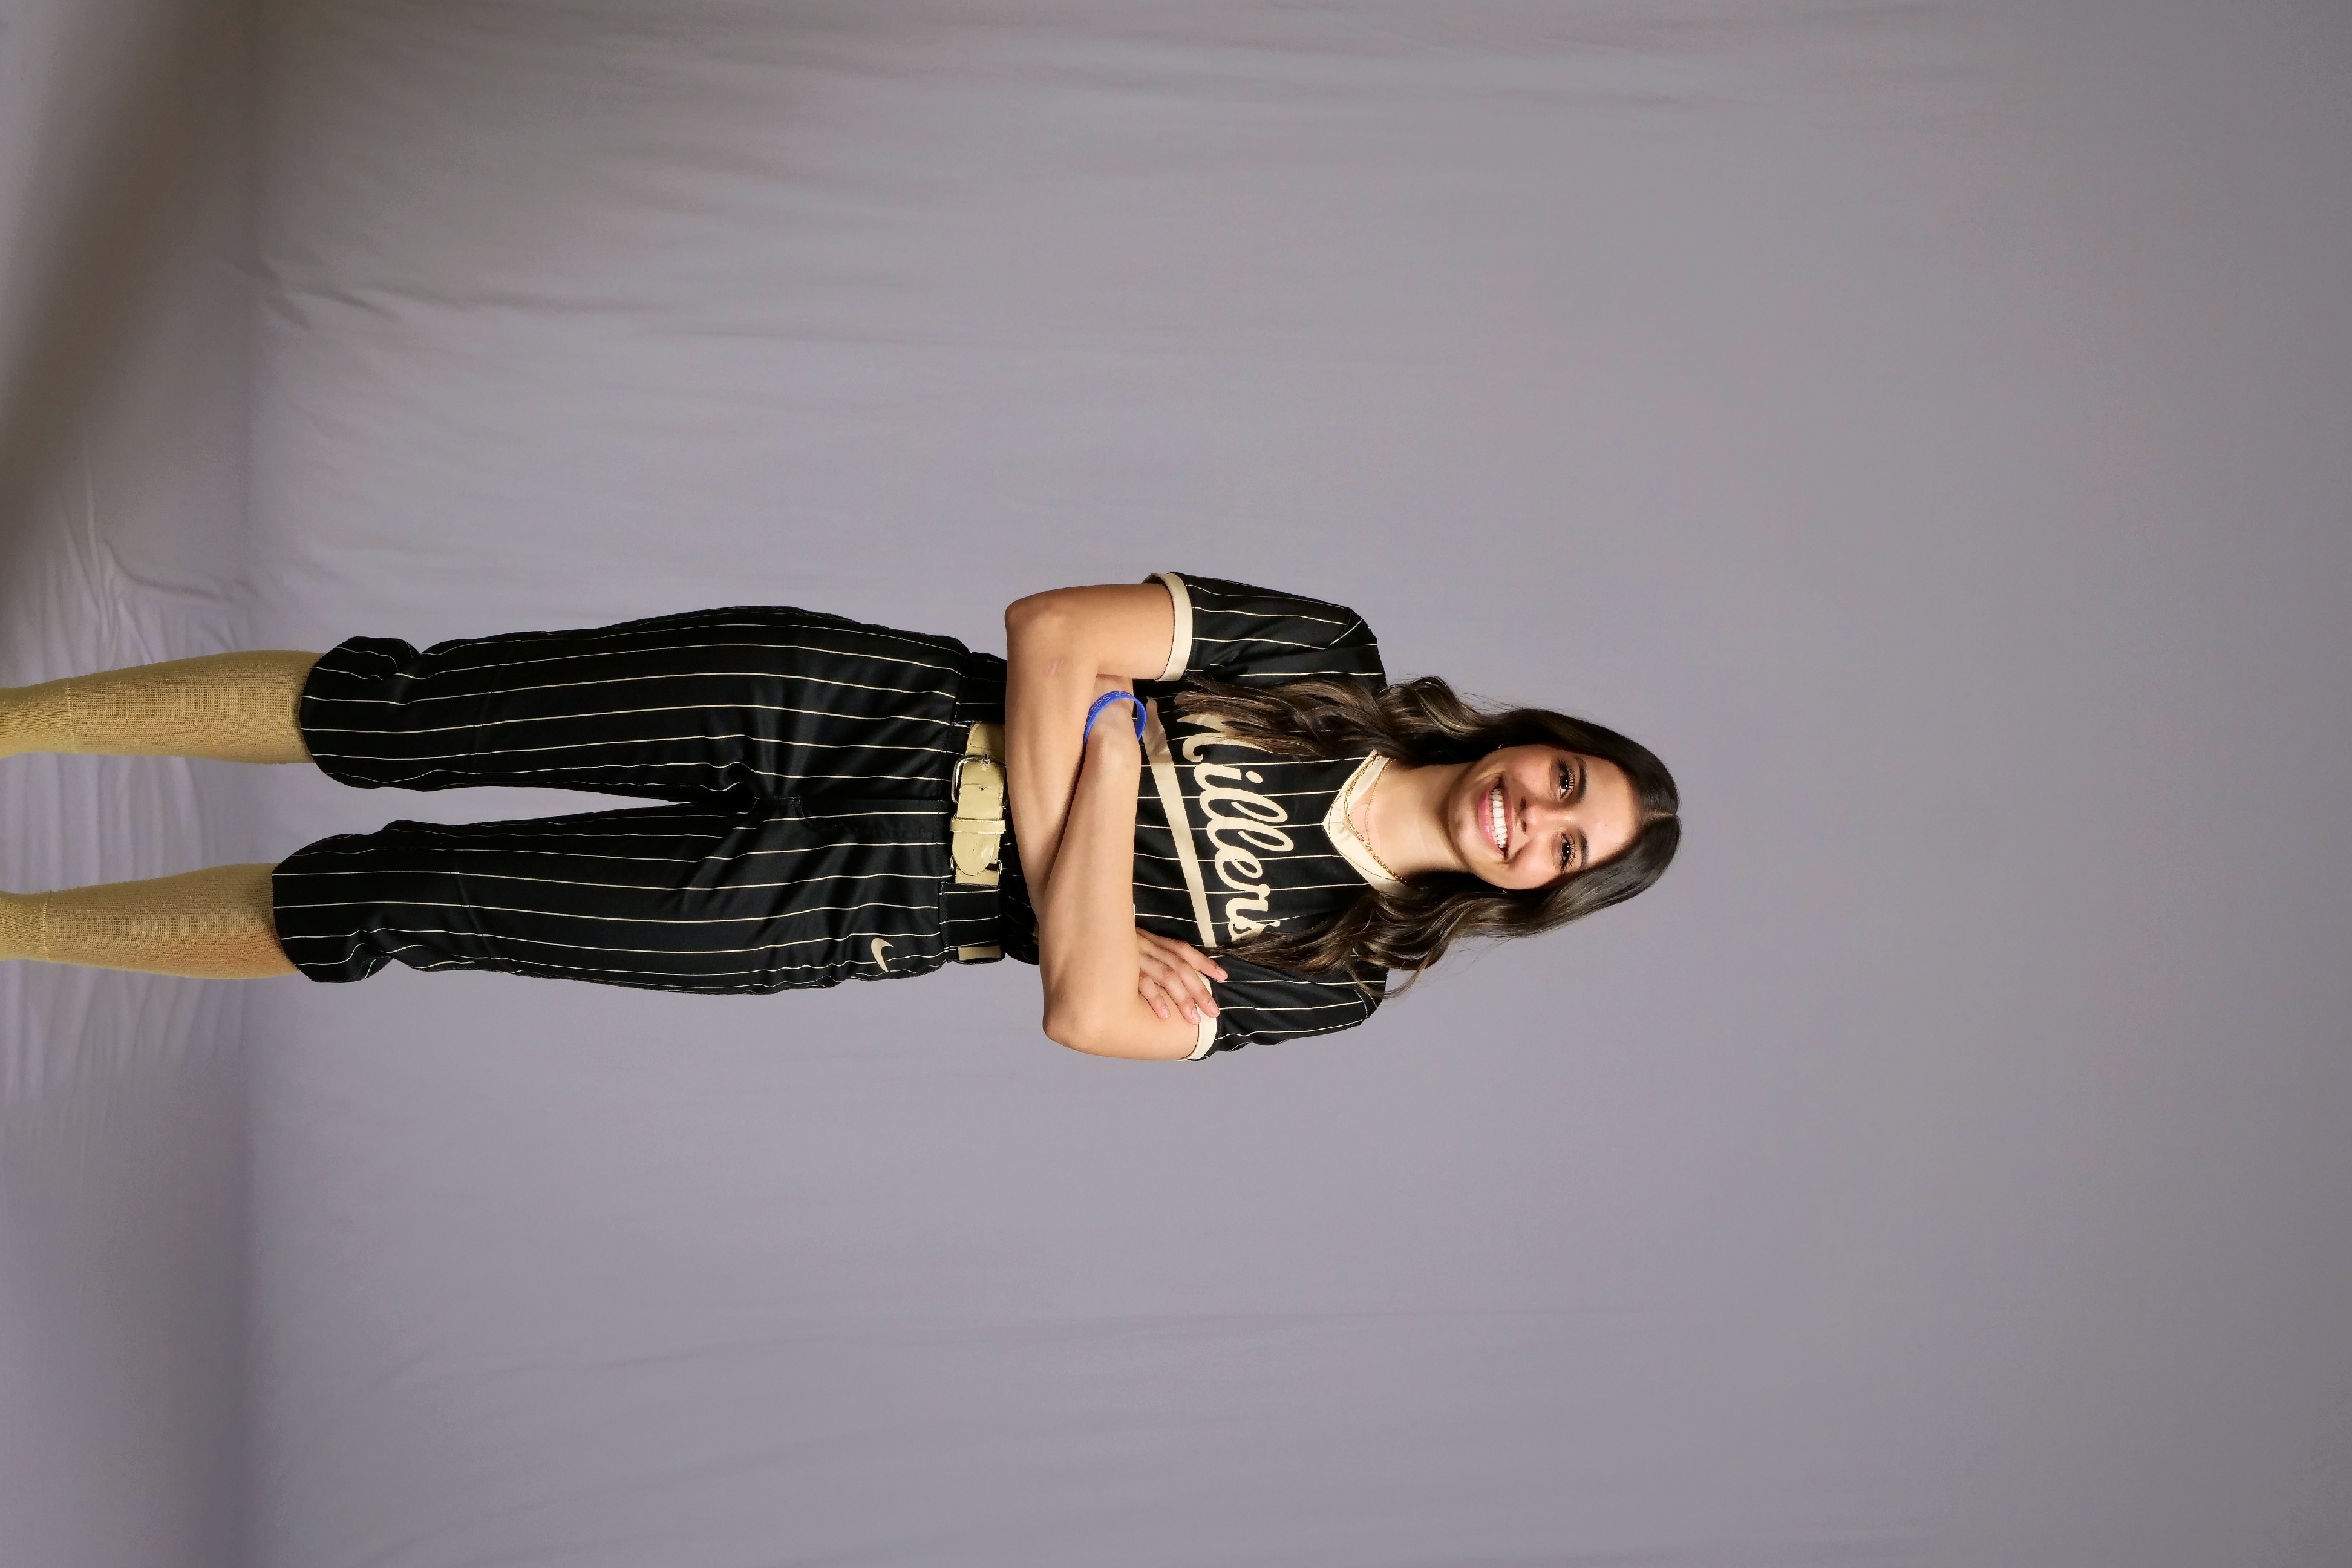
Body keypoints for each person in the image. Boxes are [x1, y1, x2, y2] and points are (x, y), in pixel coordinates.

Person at [0, 573, 1679, 1060]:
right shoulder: (1331, 658)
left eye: (1568, 849)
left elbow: (1083, 1013)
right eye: (1565, 781)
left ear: (1547, 893)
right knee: (407, 712)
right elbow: (1052, 631)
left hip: (854, 908)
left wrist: (1113, 759)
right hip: (851, 699)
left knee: (395, 910)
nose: (1535, 820)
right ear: (1538, 741)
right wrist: (1095, 892)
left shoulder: (1338, 970)